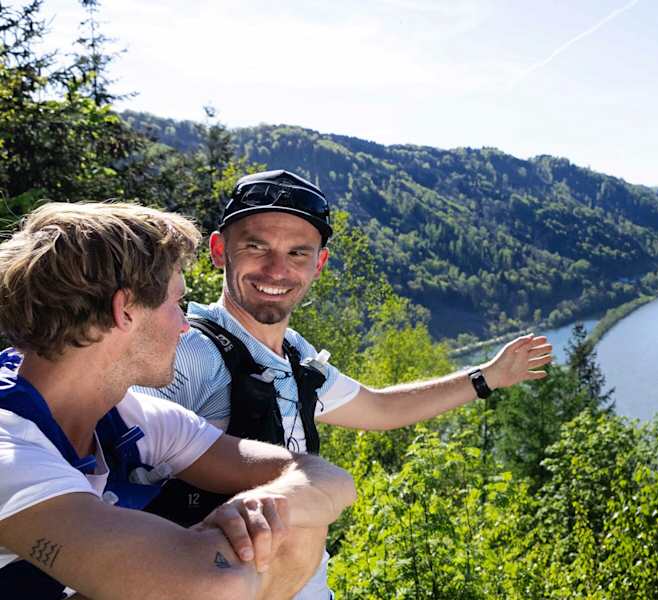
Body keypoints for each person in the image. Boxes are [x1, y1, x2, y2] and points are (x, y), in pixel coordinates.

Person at [134, 170, 553, 599]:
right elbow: (106, 489)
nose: (277, 270)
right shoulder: (189, 352)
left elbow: (380, 409)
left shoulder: (294, 357)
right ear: (220, 251)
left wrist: (487, 377)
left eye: (298, 253)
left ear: (320, 264)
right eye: (256, 247)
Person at [0, 202, 357, 600]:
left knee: (295, 524)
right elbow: (211, 584)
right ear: (125, 310)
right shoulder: (10, 452)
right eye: (175, 303)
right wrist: (244, 536)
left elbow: (327, 478)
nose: (185, 324)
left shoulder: (129, 417)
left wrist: (262, 504)